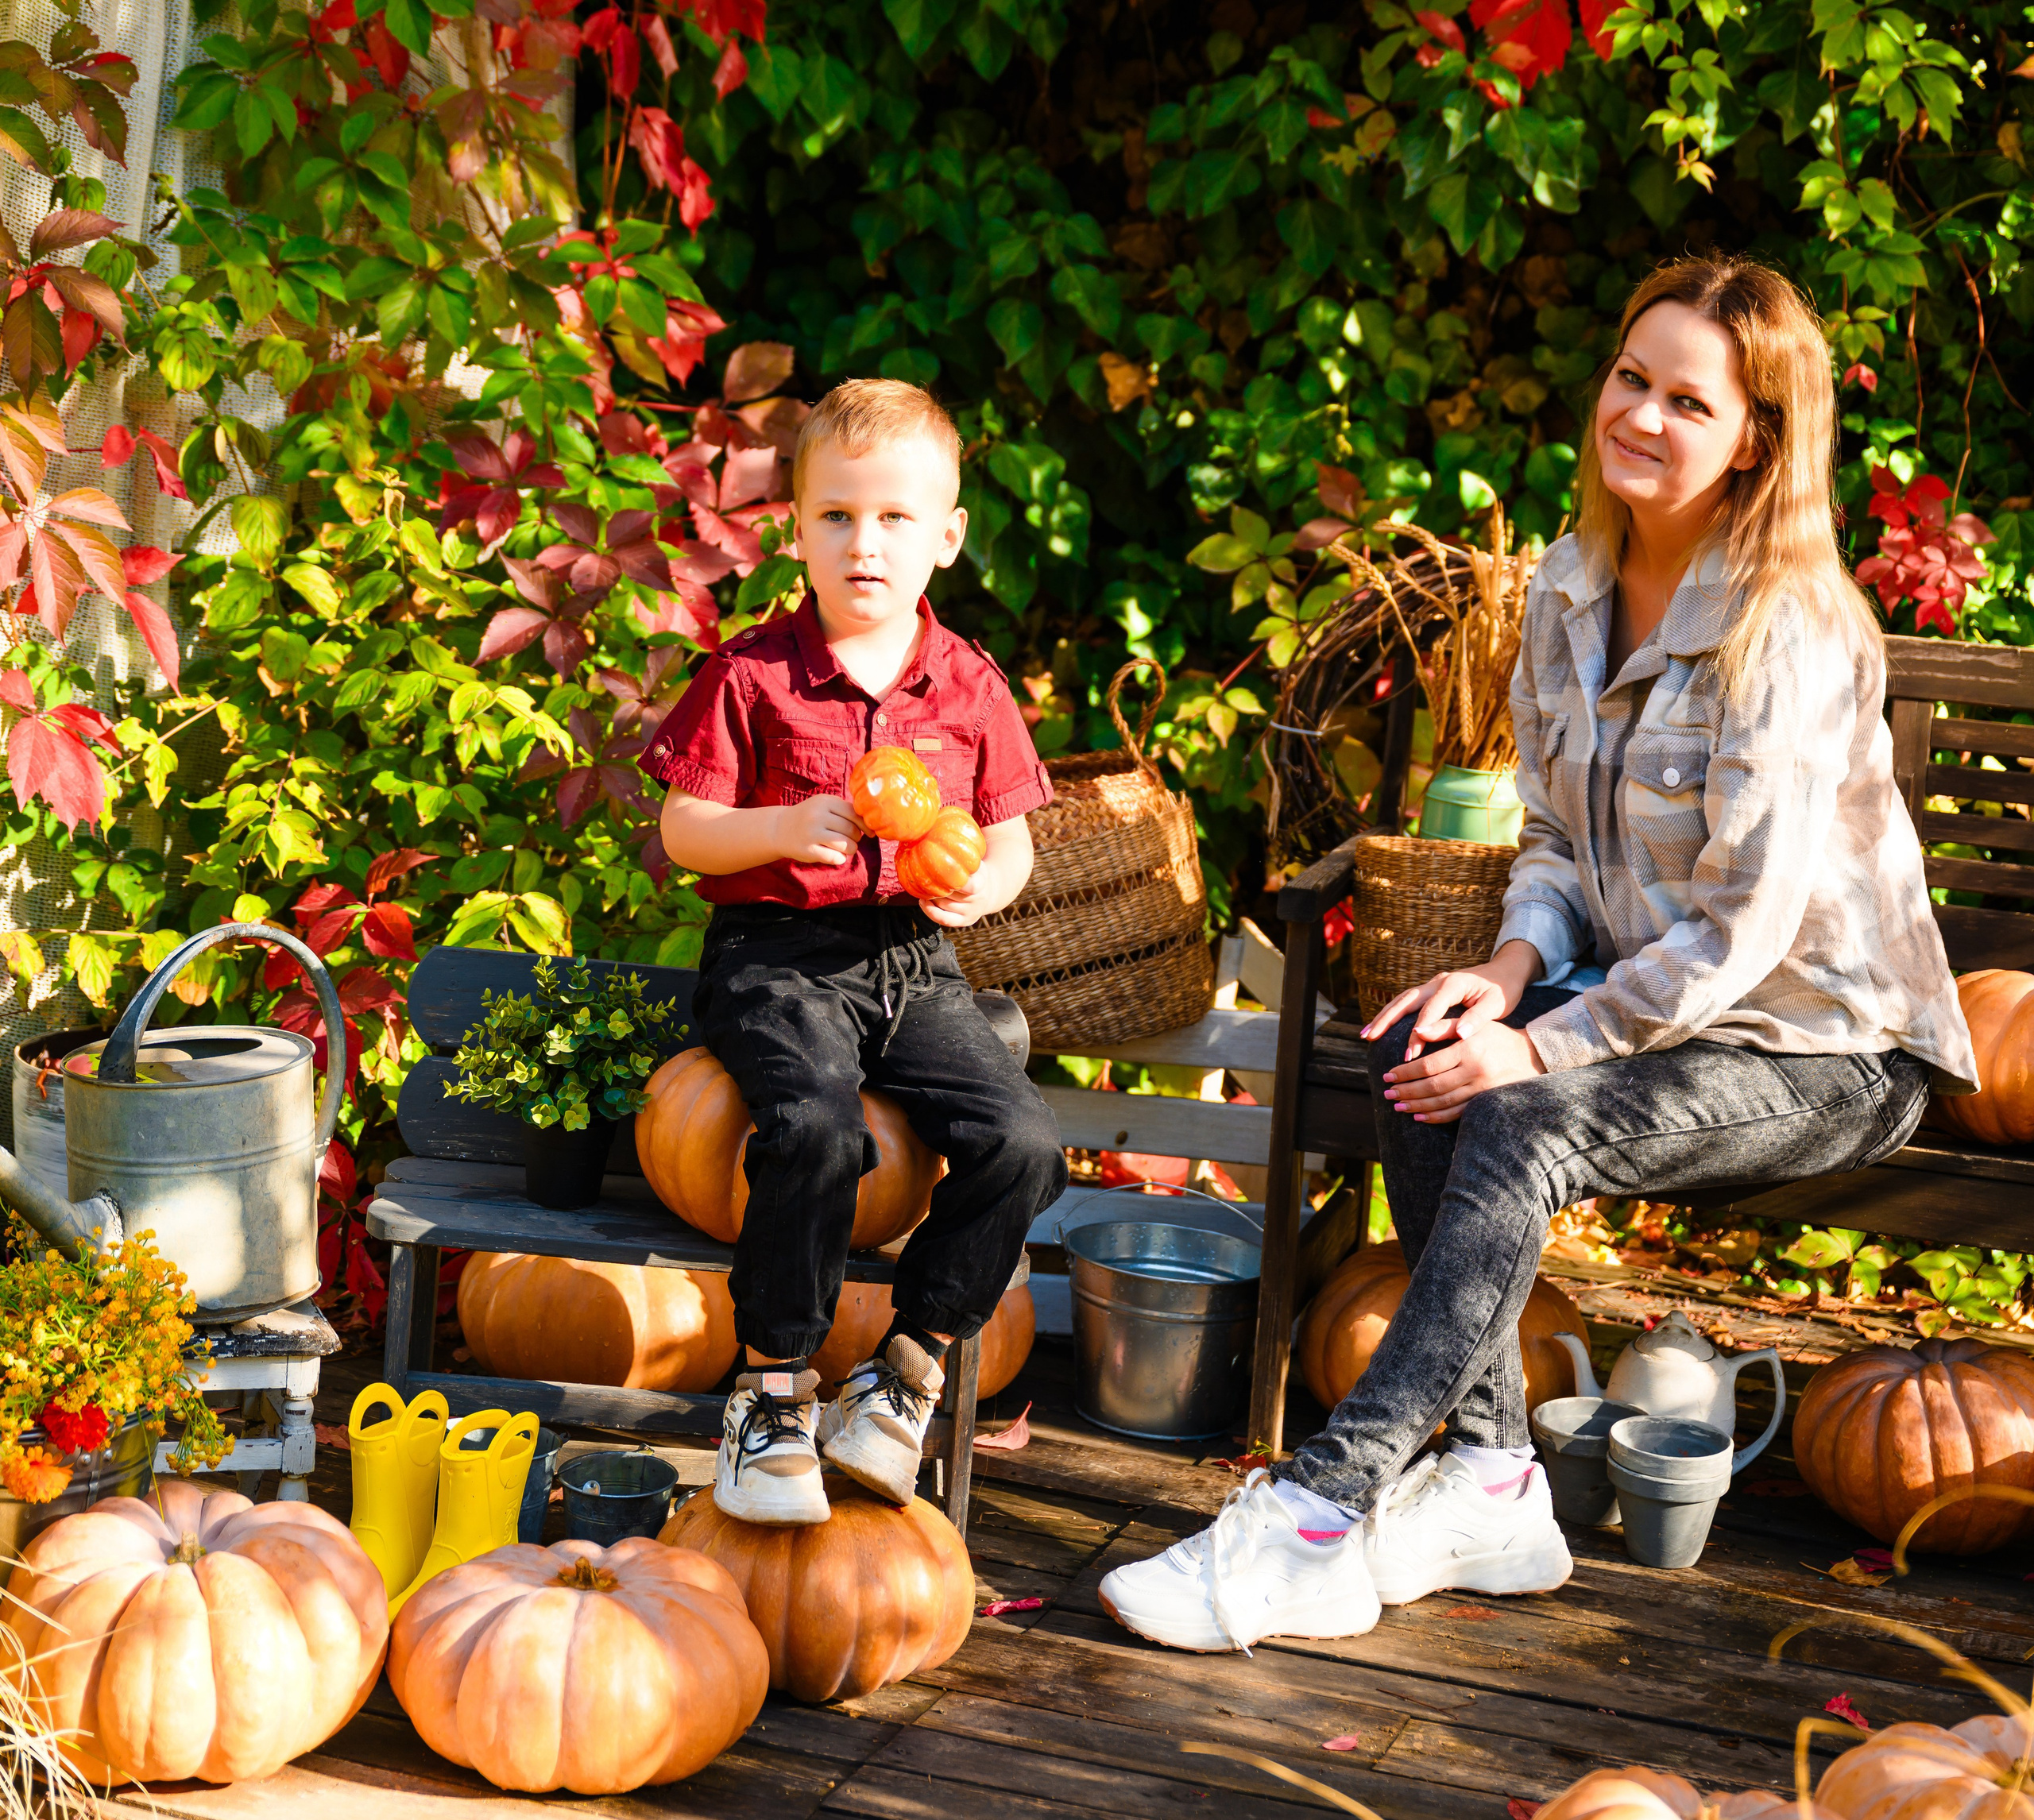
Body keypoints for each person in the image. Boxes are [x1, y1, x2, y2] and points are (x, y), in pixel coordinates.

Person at [1099, 255, 1981, 1653]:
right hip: (1657, 1011)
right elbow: (1558, 839)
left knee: (1518, 1117)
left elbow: (1741, 933)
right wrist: (1507, 976)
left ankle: (1319, 1511)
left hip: (1824, 1046)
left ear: (1758, 443)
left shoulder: (1789, 631)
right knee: (1423, 1049)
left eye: (1689, 401)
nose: (1642, 414)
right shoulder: (1569, 586)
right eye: (1632, 377)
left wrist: (1543, 1044)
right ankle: (1495, 1480)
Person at [642, 378, 1067, 1525]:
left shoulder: (969, 685)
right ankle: (772, 1392)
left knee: (1025, 1142)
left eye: (892, 518)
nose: (863, 543)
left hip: (915, 962)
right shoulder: (754, 676)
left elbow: (1013, 840)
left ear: (947, 537)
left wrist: (982, 887)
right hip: (778, 959)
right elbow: (685, 829)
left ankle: (905, 1370)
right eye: (836, 515)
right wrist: (781, 829)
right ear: (798, 529)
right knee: (819, 1132)